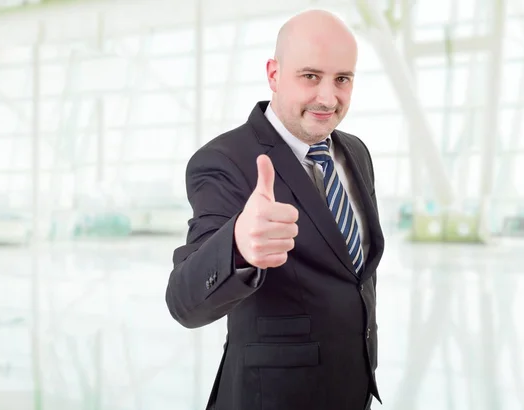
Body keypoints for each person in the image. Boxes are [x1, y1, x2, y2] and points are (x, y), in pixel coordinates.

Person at [165, 9, 385, 410]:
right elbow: (183, 301)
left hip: (353, 391)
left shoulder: (355, 152)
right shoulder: (224, 160)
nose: (327, 97)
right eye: (310, 76)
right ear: (273, 75)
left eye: (342, 79)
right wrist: (237, 245)